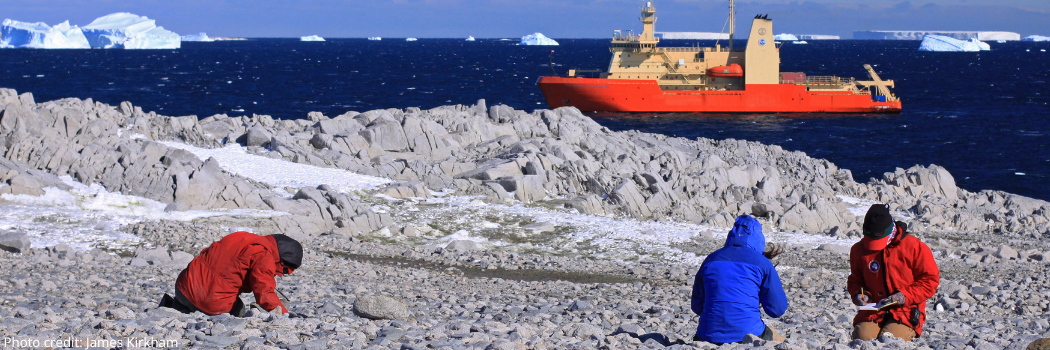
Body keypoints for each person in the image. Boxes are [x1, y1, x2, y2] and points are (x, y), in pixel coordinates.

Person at [847, 204, 939, 341]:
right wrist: (860, 294)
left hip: (906, 311)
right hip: (873, 311)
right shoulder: (858, 250)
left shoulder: (914, 247)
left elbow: (930, 280)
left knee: (890, 339)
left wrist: (905, 296)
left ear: (890, 232)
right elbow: (855, 279)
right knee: (862, 337)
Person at [691, 215, 788, 343]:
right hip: (748, 333)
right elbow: (777, 310)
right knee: (777, 338)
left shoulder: (711, 260)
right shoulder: (763, 263)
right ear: (759, 238)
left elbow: (697, 306)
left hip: (707, 335)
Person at [160, 231, 302, 316]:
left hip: (182, 287)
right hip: (211, 302)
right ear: (283, 259)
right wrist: (284, 314)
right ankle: (191, 308)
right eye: (284, 270)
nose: (281, 273)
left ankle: (176, 306)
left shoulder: (244, 237)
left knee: (196, 293)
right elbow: (264, 293)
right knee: (240, 310)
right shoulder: (265, 256)